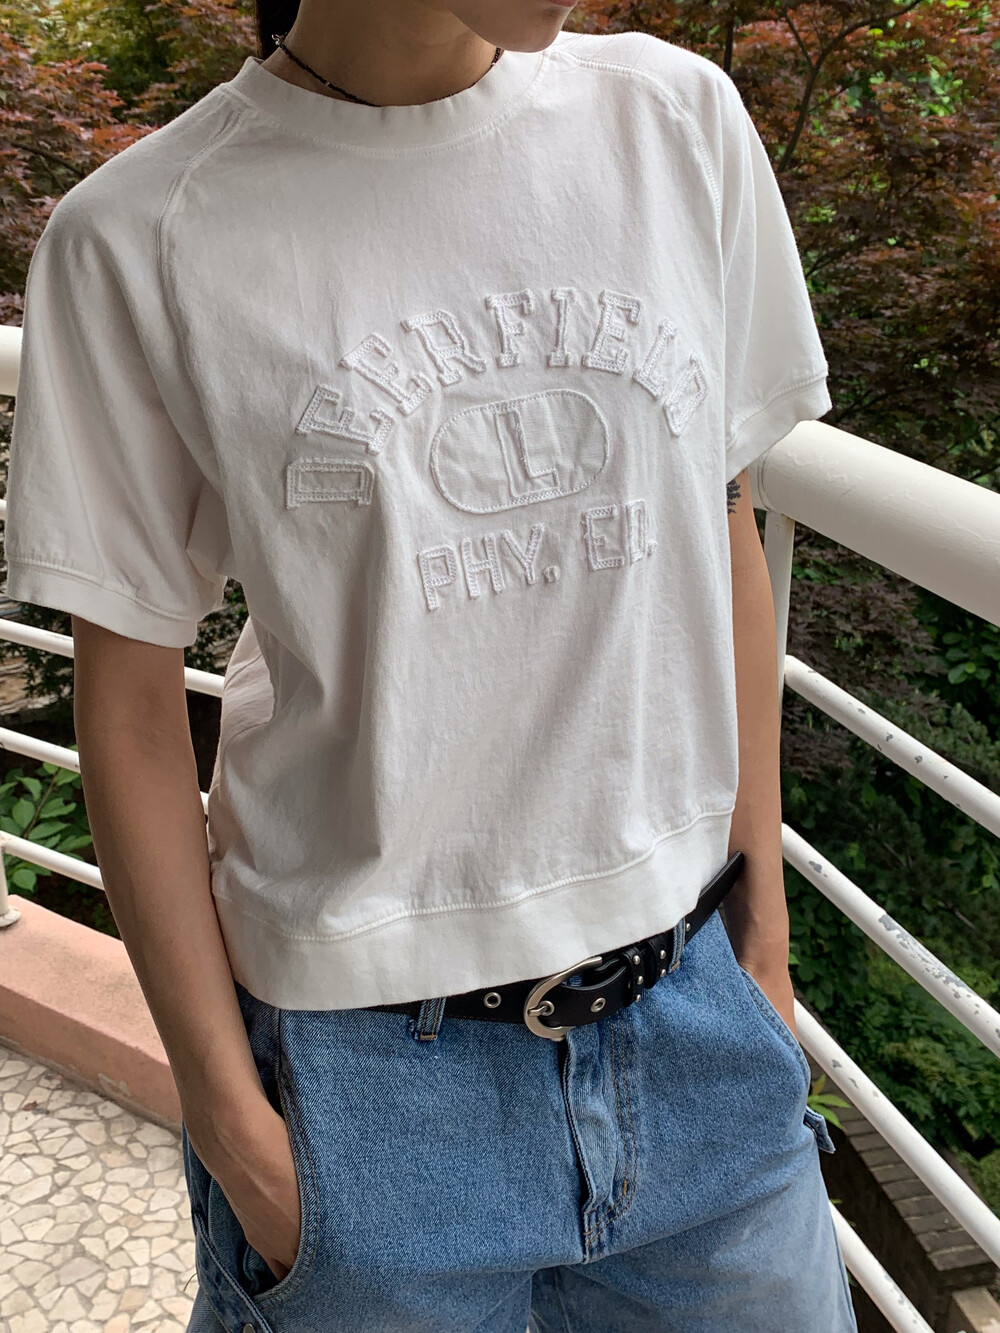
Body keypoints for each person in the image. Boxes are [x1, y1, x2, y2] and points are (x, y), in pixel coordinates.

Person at [3, 1, 859, 1329]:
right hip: (365, 1095)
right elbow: (128, 708)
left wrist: (766, 950)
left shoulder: (676, 123)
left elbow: (724, 521)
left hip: (699, 1029)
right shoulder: (142, 234)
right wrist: (232, 1121)